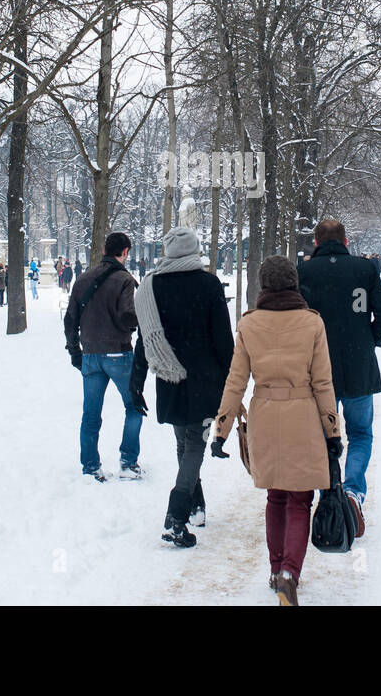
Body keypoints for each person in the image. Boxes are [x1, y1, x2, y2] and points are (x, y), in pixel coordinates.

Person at [211, 255, 341, 606]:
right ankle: (289, 574)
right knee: (300, 500)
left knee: (275, 497)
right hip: (303, 416)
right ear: (294, 284)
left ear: (264, 286)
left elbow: (236, 381)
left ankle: (273, 569)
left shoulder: (249, 325)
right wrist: (332, 431)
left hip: (265, 415)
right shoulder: (313, 323)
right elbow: (323, 382)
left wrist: (221, 429)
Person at [130, 227, 234, 548]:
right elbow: (223, 339)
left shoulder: (152, 288)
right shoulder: (209, 284)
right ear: (195, 251)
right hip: (206, 381)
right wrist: (233, 380)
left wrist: (136, 382)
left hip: (170, 380)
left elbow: (145, 340)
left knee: (184, 444)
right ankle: (175, 517)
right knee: (194, 446)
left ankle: (196, 505)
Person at [298, 218, 381, 536]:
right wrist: (370, 340)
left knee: (323, 435)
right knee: (360, 434)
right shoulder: (364, 270)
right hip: (358, 365)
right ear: (346, 241)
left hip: (318, 368)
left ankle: (328, 489)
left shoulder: (305, 272)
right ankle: (353, 491)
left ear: (315, 242)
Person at [64, 232, 143, 482]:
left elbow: (70, 320)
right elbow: (128, 316)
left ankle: (90, 466)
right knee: (134, 407)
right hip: (118, 353)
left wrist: (75, 351)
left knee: (90, 414)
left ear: (104, 249)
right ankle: (128, 462)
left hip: (91, 355)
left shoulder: (83, 279)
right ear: (126, 251)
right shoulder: (125, 280)